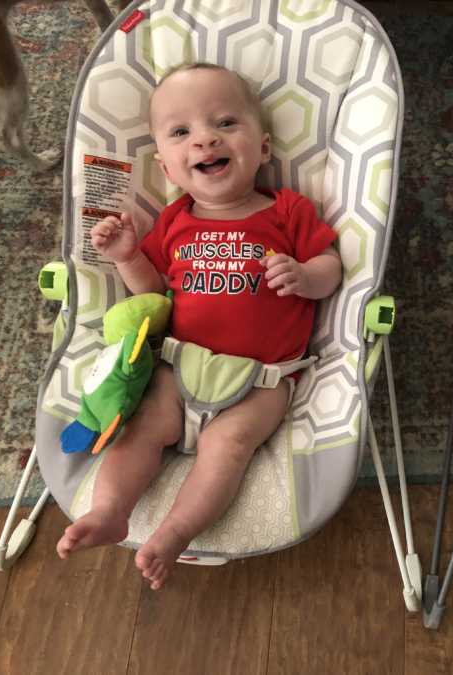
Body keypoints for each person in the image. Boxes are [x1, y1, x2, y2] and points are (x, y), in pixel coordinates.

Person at [56, 63, 342, 590]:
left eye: (226, 123)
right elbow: (151, 293)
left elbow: (332, 269)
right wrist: (125, 256)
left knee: (228, 448)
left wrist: (305, 275)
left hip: (260, 380)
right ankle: (111, 510)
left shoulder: (288, 211)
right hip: (178, 364)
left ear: (263, 149)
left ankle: (175, 531)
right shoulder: (175, 220)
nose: (205, 138)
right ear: (166, 167)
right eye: (181, 132)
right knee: (141, 428)